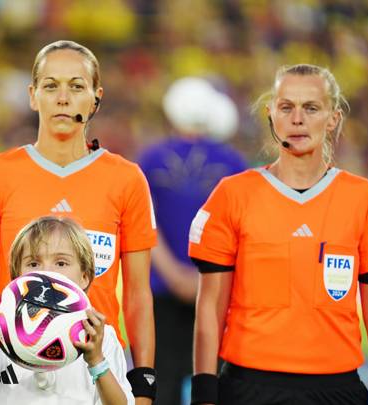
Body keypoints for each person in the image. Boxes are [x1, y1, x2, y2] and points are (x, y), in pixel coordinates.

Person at [0, 40, 157, 403]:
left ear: (96, 97)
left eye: (76, 86)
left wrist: (143, 379)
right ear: (33, 96)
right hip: (12, 364)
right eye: (51, 86)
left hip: (94, 368)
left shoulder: (127, 180)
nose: (62, 98)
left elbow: (139, 292)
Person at [189, 64, 368, 405]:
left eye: (311, 108)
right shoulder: (232, 194)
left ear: (332, 118)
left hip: (338, 390)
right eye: (287, 107)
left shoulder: (362, 197)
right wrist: (204, 393)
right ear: (271, 114)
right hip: (248, 388)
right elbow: (211, 305)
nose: (297, 119)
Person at [136, 77, 246, 404]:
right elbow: (239, 230)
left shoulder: (151, 158)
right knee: (215, 383)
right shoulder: (233, 163)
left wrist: (173, 274)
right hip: (216, 290)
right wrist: (203, 278)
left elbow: (143, 223)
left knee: (162, 383)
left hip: (162, 290)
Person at [0, 216, 133, 404]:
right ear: (17, 276)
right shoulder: (2, 335)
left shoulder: (102, 338)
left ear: (84, 276)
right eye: (33, 264)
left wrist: (96, 361)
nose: (47, 272)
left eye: (61, 263)